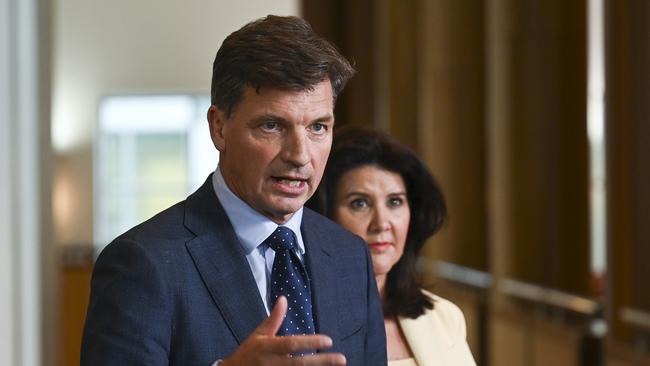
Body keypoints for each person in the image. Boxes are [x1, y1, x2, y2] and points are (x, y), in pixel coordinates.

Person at [81, 16, 386, 366]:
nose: (300, 155)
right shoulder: (143, 263)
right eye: (272, 125)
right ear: (219, 128)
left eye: (318, 127)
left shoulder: (349, 256)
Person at [308, 126, 476, 366]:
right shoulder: (301, 320)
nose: (382, 223)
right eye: (360, 203)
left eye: (395, 202)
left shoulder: (444, 317)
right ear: (325, 215)